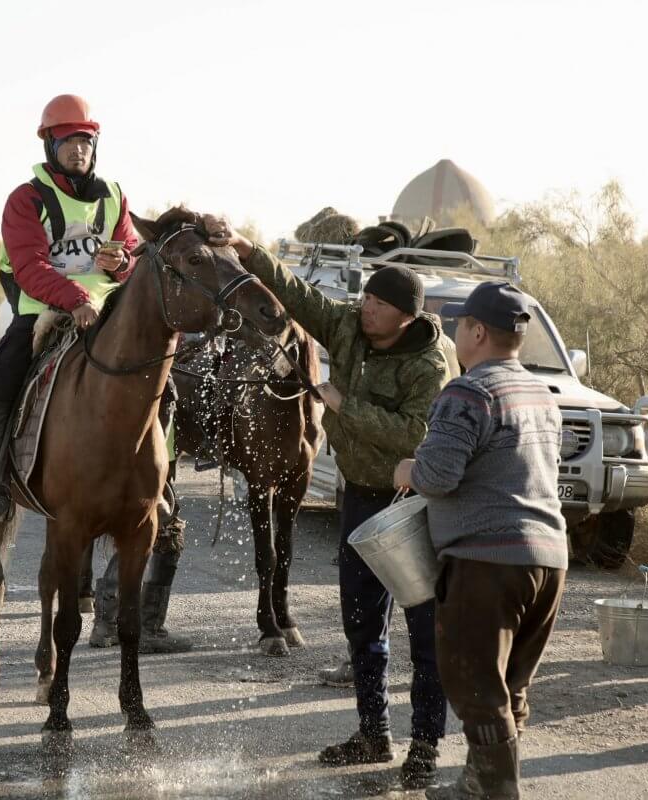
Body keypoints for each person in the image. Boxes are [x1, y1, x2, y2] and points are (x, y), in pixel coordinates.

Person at [205, 216, 452, 789]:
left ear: (405, 316)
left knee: (424, 632)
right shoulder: (348, 327)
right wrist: (247, 249)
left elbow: (413, 433)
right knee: (362, 624)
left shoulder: (430, 364)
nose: (364, 307)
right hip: (360, 499)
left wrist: (339, 402)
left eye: (376, 302)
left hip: (414, 505)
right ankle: (373, 734)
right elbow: (298, 295)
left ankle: (426, 746)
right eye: (364, 296)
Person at [397, 281, 568, 799]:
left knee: (474, 682)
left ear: (476, 331)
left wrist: (407, 468)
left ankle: (496, 791)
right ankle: (479, 782)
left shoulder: (468, 391)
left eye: (457, 326)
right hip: (548, 560)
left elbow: (439, 475)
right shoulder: (541, 392)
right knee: (508, 685)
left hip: (486, 561)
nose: (452, 334)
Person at [0, 93, 138, 524]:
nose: (77, 148)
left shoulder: (115, 195)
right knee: (3, 374)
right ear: (50, 145)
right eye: (67, 140)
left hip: (106, 305)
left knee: (163, 375)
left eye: (84, 140)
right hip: (41, 303)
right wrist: (75, 299)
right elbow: (30, 267)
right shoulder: (25, 199)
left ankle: (160, 482)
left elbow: (135, 251)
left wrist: (123, 263)